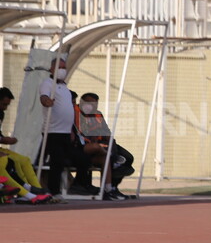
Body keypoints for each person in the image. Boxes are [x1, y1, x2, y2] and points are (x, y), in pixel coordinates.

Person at [73, 92, 135, 200]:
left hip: (103, 143)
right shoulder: (75, 113)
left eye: (94, 104)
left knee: (128, 158)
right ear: (81, 102)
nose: (90, 106)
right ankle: (109, 186)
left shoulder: (97, 114)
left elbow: (106, 133)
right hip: (88, 145)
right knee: (110, 158)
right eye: (88, 103)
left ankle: (113, 186)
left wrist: (109, 139)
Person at [0, 87, 53, 204]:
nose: (5, 108)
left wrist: (5, 139)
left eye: (7, 105)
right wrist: (4, 139)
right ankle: (27, 192)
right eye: (4, 104)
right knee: (5, 162)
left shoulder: (1, 113)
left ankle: (34, 188)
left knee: (23, 160)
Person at [37, 57, 76, 196]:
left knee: (70, 160)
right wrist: (47, 101)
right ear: (51, 69)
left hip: (65, 132)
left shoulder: (64, 87)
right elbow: (44, 98)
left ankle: (77, 186)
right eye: (60, 67)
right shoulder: (48, 83)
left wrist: (71, 129)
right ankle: (54, 191)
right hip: (53, 131)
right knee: (56, 161)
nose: (62, 70)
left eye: (64, 67)